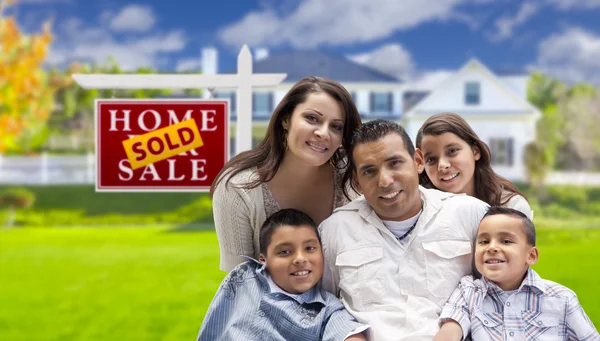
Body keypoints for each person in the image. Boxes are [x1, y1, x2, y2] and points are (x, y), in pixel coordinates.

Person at [319, 119, 490, 340]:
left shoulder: (471, 215)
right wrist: (348, 333)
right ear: (357, 182)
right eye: (369, 171)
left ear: (418, 161)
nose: (385, 181)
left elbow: (503, 292)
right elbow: (324, 305)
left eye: (395, 163)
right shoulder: (335, 230)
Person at [210, 76, 362, 272]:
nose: (323, 133)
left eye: (336, 126)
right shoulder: (238, 189)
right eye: (312, 118)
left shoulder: (354, 178)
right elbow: (238, 285)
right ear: (286, 119)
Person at [197, 208, 369, 341]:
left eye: (309, 248)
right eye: (285, 252)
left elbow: (346, 331)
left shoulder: (326, 308)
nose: (300, 259)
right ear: (264, 260)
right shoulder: (242, 277)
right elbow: (214, 322)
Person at [433, 206, 600, 341]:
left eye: (506, 241)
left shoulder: (561, 299)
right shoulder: (468, 291)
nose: (491, 247)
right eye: (484, 241)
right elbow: (450, 330)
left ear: (531, 256)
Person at [415, 112, 533, 220]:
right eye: (431, 159)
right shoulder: (420, 212)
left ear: (475, 151)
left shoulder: (512, 207)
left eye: (452, 151)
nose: (442, 165)